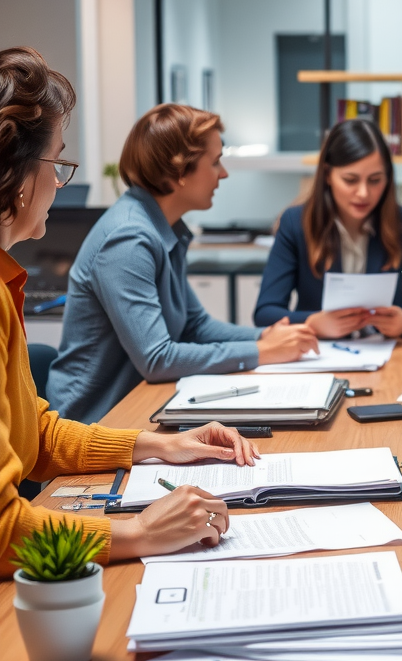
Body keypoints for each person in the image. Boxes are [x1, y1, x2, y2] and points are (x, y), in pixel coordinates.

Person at [0, 46, 260, 576]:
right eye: (58, 163)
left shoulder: (7, 287)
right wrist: (141, 532)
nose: (61, 183)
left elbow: (38, 437)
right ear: (18, 176)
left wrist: (162, 447)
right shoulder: (127, 236)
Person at [48, 104, 317, 424]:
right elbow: (157, 359)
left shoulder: (162, 228)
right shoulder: (128, 240)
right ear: (178, 172)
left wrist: (264, 336)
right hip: (93, 420)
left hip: (135, 407)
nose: (224, 173)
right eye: (215, 162)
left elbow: (195, 325)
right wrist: (263, 352)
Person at [254, 117, 402, 337]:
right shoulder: (295, 223)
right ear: (328, 174)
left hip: (388, 356)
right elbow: (264, 312)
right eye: (350, 180)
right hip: (320, 354)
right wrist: (312, 322)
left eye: (375, 180)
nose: (363, 193)